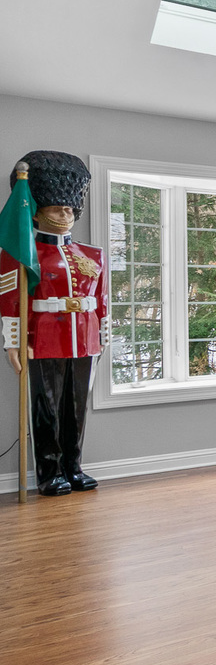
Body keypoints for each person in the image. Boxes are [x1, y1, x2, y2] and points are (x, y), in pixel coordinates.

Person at [1, 151, 105, 497]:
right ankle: (49, 472)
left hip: (85, 336)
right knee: (46, 407)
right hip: (44, 336)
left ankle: (73, 467)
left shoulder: (92, 255)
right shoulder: (22, 252)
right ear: (39, 211)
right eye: (58, 209)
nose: (67, 214)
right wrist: (12, 341)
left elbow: (101, 301)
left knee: (76, 408)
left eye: (70, 209)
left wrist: (102, 335)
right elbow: (11, 301)